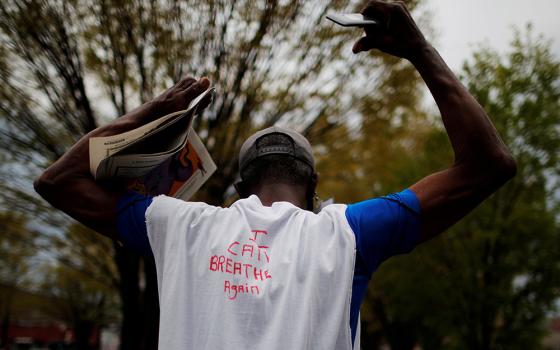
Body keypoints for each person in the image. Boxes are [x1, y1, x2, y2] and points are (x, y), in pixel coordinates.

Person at [34, 1, 517, 349]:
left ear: (240, 189)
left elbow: (58, 182)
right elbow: (488, 165)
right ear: (314, 189)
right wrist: (420, 51)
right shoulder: (349, 234)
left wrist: (155, 110)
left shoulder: (181, 226)